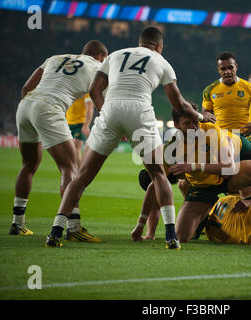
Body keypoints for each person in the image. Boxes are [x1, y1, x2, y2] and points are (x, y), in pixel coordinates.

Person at [45, 26, 214, 249]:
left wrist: (106, 114)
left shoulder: (114, 55)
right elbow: (180, 104)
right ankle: (171, 236)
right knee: (158, 175)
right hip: (140, 111)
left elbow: (95, 90)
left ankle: (56, 232)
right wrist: (202, 116)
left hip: (111, 109)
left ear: (139, 41)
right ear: (159, 46)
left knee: (82, 176)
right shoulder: (161, 61)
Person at [131, 104, 251, 245]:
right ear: (176, 125)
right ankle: (205, 218)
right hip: (203, 187)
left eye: (195, 121)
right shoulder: (172, 149)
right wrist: (140, 224)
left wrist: (192, 167)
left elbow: (229, 166)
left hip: (230, 172)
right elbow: (155, 185)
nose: (194, 127)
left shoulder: (210, 129)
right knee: (181, 236)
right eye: (188, 123)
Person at [10, 40, 107, 242]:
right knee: (69, 167)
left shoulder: (54, 58)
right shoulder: (98, 67)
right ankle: (73, 227)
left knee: (28, 165)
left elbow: (27, 87)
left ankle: (17, 223)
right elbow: (100, 96)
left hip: (26, 105)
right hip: (49, 107)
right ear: (101, 56)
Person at [202, 52, 251, 136]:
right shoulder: (209, 90)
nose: (227, 72)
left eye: (230, 67)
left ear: (236, 67)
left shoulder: (249, 87)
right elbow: (205, 114)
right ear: (218, 70)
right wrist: (206, 115)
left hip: (242, 135)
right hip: (221, 136)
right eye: (223, 69)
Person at [66, 94, 94, 167]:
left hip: (80, 123)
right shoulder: (69, 88)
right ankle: (74, 172)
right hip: (67, 123)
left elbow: (90, 107)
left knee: (75, 148)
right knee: (68, 151)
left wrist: (86, 125)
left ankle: (79, 173)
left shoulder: (85, 91)